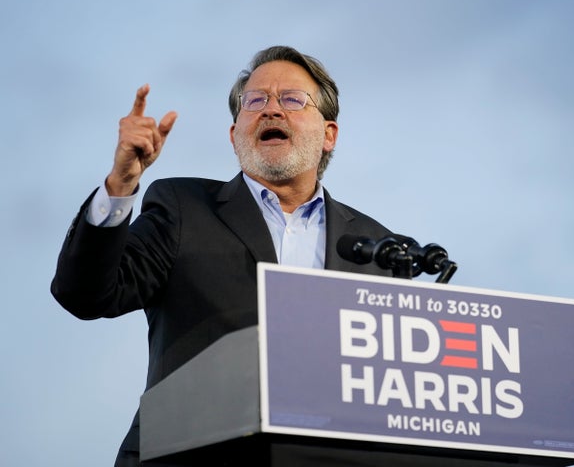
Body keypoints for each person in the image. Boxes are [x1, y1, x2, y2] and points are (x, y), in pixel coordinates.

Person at [51, 45, 396, 466]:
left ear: (329, 135)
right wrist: (120, 184)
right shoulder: (183, 207)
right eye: (256, 101)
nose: (271, 110)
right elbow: (86, 294)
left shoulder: (378, 247)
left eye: (291, 99)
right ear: (235, 135)